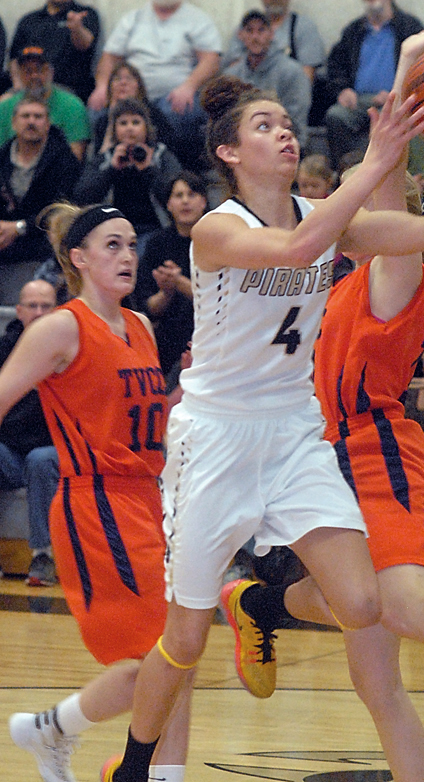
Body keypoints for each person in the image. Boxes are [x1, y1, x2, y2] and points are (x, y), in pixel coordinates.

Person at [221, 19, 424, 782]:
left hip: (376, 456)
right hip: (314, 459)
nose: (351, 213)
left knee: (402, 602)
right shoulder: (340, 284)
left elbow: (387, 171)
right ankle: (262, 607)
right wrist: (418, 78)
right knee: (376, 682)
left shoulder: (393, 279)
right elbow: (382, 176)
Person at [6, 202, 192, 782]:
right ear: (78, 258)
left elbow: (138, 419)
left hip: (148, 500)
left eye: (132, 244)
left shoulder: (139, 326)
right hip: (96, 505)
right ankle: (53, 728)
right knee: (159, 661)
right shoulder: (61, 326)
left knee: (178, 660)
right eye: (112, 245)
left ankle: (149, 769)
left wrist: (180, 397)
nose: (128, 256)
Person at [88, 1, 221, 171]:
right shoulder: (133, 19)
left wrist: (189, 86)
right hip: (133, 94)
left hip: (174, 95)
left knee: (178, 113)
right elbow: (109, 57)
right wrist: (102, 86)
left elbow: (211, 60)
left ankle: (178, 176)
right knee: (97, 110)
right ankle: (101, 170)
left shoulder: (197, 19)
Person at [0, 279, 59, 587]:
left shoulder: (69, 351)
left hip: (56, 452)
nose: (38, 313)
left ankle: (42, 556)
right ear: (19, 311)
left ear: (57, 311)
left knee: (40, 459)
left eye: (45, 306)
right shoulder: (5, 351)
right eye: (32, 306)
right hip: (11, 451)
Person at [74, 97, 183, 254]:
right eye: (123, 123)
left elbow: (175, 194)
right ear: (115, 130)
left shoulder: (161, 155)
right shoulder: (105, 158)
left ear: (147, 127)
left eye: (136, 122)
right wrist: (111, 169)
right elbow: (82, 196)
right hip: (112, 230)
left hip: (157, 229)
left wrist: (148, 170)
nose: (129, 128)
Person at [324, 0, 424, 167]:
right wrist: (343, 90)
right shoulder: (353, 30)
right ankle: (349, 175)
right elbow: (335, 65)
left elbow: (423, 67)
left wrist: (397, 94)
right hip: (359, 101)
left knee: (396, 120)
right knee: (336, 116)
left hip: (397, 101)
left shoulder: (410, 27)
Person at [0, 97, 81, 301]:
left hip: (42, 237)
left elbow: (62, 210)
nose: (31, 121)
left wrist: (19, 227)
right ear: (14, 122)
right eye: (25, 116)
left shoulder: (64, 159)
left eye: (38, 117)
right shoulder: (1, 157)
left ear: (47, 124)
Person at [134, 171, 206, 376]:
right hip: (170, 339)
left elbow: (220, 298)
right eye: (178, 195)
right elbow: (148, 307)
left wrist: (179, 282)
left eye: (191, 194)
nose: (185, 201)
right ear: (168, 205)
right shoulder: (157, 244)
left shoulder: (215, 241)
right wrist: (166, 292)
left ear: (203, 201)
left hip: (209, 333)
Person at [223, 10, 312, 149]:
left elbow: (296, 123)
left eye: (261, 30)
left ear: (271, 34)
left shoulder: (292, 72)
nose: (255, 37)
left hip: (284, 147)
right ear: (240, 35)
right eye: (249, 30)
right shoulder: (231, 76)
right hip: (242, 149)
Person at [0, 45, 91, 161]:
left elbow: (75, 158)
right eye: (28, 71)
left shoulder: (73, 106)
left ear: (51, 72)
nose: (34, 76)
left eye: (39, 69)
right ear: (19, 74)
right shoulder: (4, 107)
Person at [8, 0, 101, 103]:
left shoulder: (85, 14)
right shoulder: (29, 20)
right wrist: (18, 89)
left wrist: (77, 28)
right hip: (31, 91)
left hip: (72, 93)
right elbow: (14, 59)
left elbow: (86, 44)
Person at [223, 0, 325, 85]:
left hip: (286, 97)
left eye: (261, 30)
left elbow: (305, 80)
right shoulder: (244, 27)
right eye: (250, 31)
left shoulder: (303, 27)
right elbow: (232, 74)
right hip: (247, 98)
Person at [91, 60, 178, 157]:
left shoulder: (153, 114)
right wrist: (112, 118)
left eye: (129, 78)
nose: (123, 83)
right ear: (110, 87)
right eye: (117, 79)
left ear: (139, 86)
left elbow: (168, 151)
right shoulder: (103, 120)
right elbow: (99, 161)